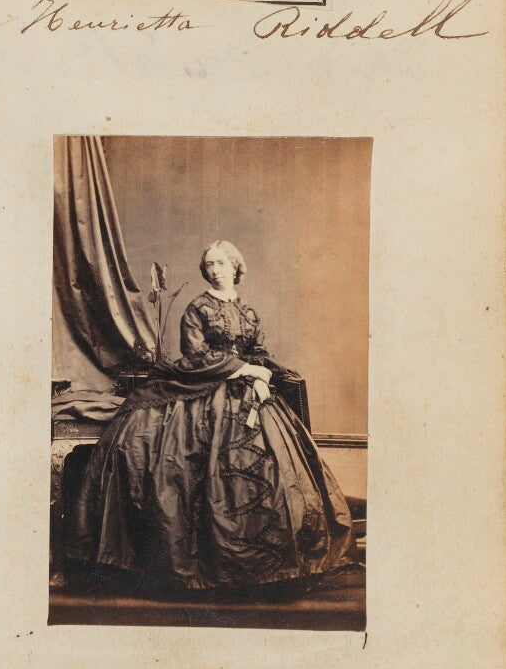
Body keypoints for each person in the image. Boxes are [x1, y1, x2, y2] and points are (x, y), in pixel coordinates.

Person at [69, 240, 357, 590]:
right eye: (209, 264)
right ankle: (210, 565)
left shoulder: (247, 311)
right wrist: (244, 370)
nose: (215, 270)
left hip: (248, 386)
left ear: (235, 267)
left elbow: (258, 351)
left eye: (221, 263)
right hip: (208, 387)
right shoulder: (197, 307)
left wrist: (261, 375)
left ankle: (270, 569)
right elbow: (195, 354)